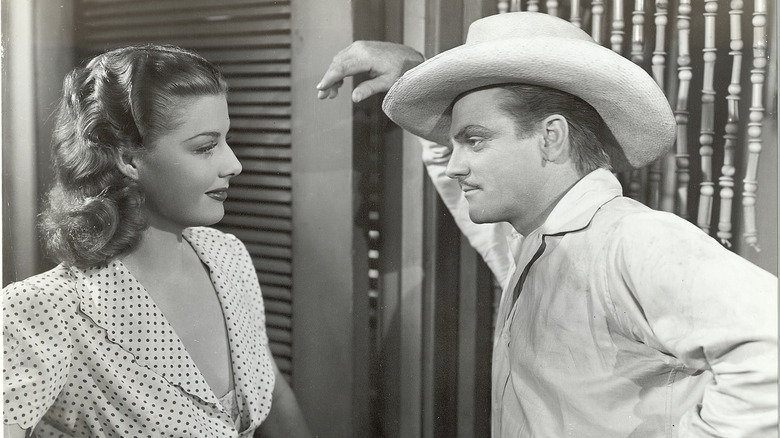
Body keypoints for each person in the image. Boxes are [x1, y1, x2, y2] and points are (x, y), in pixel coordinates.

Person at [317, 12, 778, 437]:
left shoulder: (633, 240)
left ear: (551, 137)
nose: (457, 165)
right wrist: (420, 72)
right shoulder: (536, 245)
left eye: (474, 141)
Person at [3, 44, 312, 437]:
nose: (233, 164)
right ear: (128, 159)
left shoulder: (227, 256)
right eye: (205, 147)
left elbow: (273, 396)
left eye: (226, 140)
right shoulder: (46, 311)